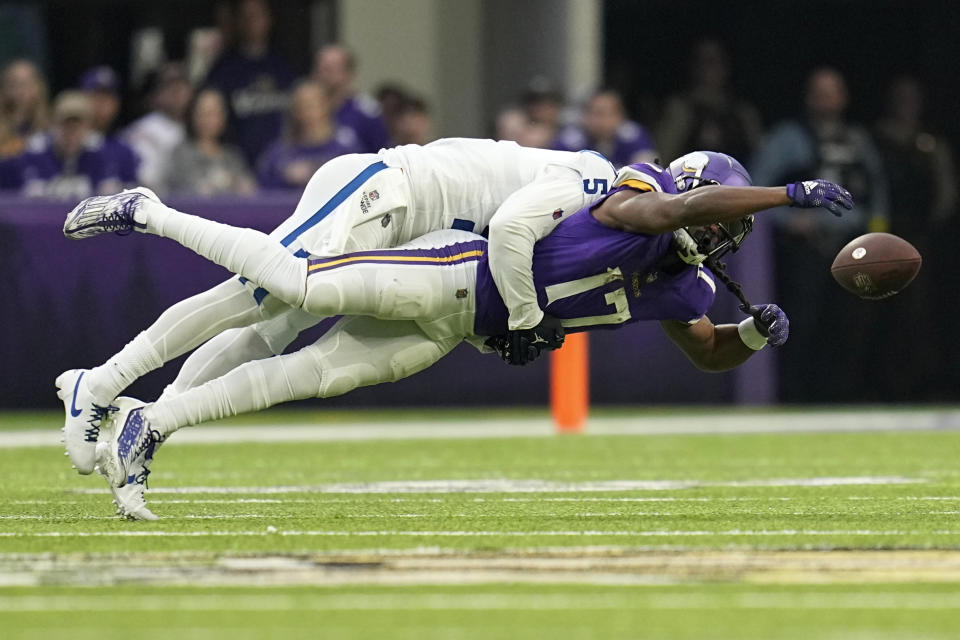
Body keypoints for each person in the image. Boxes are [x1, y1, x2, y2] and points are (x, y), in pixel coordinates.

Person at [62, 151, 852, 518]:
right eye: (713, 211)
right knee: (270, 291)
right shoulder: (606, 188)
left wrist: (748, 335)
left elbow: (706, 344)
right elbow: (519, 230)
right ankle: (144, 226)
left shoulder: (680, 277)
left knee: (297, 357)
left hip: (456, 302)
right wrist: (787, 193)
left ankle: (145, 421)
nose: (716, 237)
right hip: (408, 202)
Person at [56, 137, 620, 483]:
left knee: (266, 334)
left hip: (412, 234)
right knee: (257, 294)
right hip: (388, 193)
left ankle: (146, 424)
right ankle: (108, 363)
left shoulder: (593, 216)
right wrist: (524, 315)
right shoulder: (594, 179)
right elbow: (509, 229)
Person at [751, 67, 889, 403]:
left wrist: (878, 237)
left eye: (833, 91)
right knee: (802, 321)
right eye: (819, 91)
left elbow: (878, 193)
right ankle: (795, 395)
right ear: (807, 97)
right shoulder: (788, 138)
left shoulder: (857, 140)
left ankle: (844, 394)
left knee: (850, 325)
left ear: (844, 97)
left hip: (853, 248)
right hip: (807, 247)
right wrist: (788, 221)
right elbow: (754, 190)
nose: (826, 99)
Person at [205, 0, 295, 164]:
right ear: (237, 21)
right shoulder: (224, 69)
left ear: (269, 19)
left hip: (283, 163)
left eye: (257, 15)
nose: (252, 22)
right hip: (239, 164)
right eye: (246, 17)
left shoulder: (284, 64)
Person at [0, 91, 132, 198]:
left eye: (77, 126)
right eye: (65, 125)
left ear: (88, 127)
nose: (71, 133)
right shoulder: (32, 155)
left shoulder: (102, 156)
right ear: (53, 125)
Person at [656, 39, 763, 164]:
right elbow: (661, 157)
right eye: (704, 61)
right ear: (693, 67)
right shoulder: (680, 109)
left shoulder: (743, 112)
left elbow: (761, 157)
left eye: (716, 60)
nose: (711, 67)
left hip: (743, 179)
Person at [256, 80, 360, 190]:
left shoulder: (347, 147)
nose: (307, 112)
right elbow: (264, 192)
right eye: (301, 106)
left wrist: (312, 172)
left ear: (326, 106)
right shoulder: (279, 152)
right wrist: (285, 178)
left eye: (312, 105)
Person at [166, 87, 255, 196]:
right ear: (192, 115)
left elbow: (248, 187)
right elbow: (187, 188)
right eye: (204, 113)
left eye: (215, 113)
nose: (210, 120)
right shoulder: (182, 154)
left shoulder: (232, 155)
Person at [122, 62, 193, 190]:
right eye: (171, 88)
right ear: (157, 94)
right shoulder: (143, 129)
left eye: (182, 87)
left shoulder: (197, 128)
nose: (178, 94)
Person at [313, 44, 390, 154]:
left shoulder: (367, 113)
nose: (322, 75)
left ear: (347, 72)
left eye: (329, 69)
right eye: (319, 68)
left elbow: (380, 154)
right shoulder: (306, 112)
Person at [555, 89, 656, 167]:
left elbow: (650, 174)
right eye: (596, 113)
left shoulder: (633, 136)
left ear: (620, 116)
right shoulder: (570, 140)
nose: (601, 121)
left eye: (608, 114)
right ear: (585, 116)